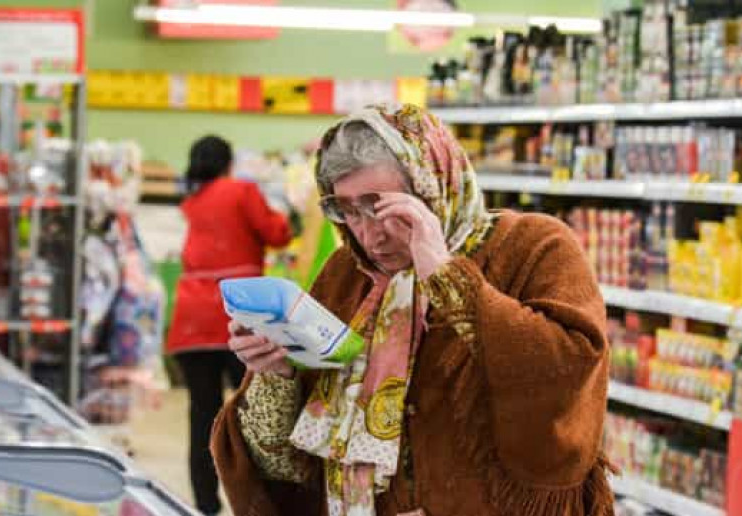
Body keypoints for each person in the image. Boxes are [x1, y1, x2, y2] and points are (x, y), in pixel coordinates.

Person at [211, 105, 614, 516]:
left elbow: (570, 367)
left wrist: (444, 273)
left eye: (382, 207)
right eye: (348, 211)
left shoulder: (533, 245)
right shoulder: (346, 274)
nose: (370, 235)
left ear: (432, 186)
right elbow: (284, 464)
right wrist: (279, 373)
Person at [166, 135, 292, 516]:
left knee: (202, 415)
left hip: (190, 320)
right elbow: (278, 234)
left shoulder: (191, 202)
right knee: (255, 413)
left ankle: (205, 505)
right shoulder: (242, 191)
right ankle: (255, 502)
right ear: (228, 162)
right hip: (239, 317)